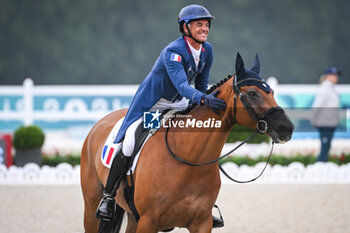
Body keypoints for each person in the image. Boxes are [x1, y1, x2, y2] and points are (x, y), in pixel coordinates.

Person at [96, 4, 226, 228]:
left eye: (206, 25)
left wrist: (205, 99)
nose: (204, 29)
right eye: (199, 25)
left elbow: (201, 84)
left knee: (198, 139)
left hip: (180, 105)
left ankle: (201, 204)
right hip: (153, 107)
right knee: (129, 142)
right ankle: (108, 197)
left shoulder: (207, 51)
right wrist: (203, 99)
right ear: (185, 27)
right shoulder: (173, 52)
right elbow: (183, 86)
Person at [311, 67, 341, 162]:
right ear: (327, 76)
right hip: (325, 123)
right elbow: (317, 105)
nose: (336, 77)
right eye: (333, 75)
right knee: (325, 145)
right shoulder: (325, 88)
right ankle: (320, 165)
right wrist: (314, 120)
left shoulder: (331, 88)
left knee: (327, 146)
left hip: (330, 123)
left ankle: (323, 164)